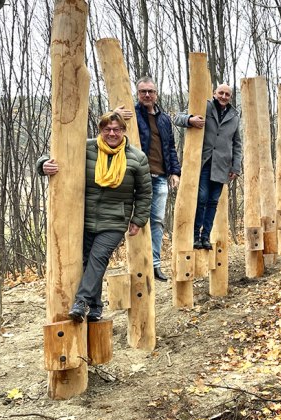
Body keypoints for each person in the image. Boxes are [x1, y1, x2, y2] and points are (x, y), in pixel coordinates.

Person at [37, 112, 152, 322]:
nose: (112, 133)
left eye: (116, 129)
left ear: (124, 131)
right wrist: (43, 164)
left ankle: (81, 302)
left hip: (115, 220)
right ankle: (96, 307)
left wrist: (138, 219)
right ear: (100, 130)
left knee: (98, 259)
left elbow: (144, 193)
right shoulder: (87, 148)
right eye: (107, 129)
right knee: (87, 261)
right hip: (84, 217)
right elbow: (56, 154)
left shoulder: (137, 157)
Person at [115, 76, 181, 282]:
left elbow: (170, 147)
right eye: (143, 91)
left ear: (156, 94)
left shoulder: (164, 119)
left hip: (161, 177)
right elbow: (108, 130)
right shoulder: (130, 114)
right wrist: (115, 115)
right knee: (136, 221)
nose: (147, 95)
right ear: (138, 93)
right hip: (137, 177)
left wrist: (175, 172)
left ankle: (155, 265)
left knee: (157, 222)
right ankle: (137, 265)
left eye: (150, 91)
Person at [174, 83, 242, 250]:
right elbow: (177, 117)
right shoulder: (203, 105)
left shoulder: (234, 115)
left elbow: (237, 143)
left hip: (222, 164)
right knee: (202, 197)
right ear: (214, 93)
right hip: (204, 161)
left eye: (227, 94)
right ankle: (195, 235)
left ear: (230, 97)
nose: (223, 96)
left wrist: (236, 167)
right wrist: (190, 120)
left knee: (212, 201)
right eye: (221, 93)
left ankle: (205, 237)